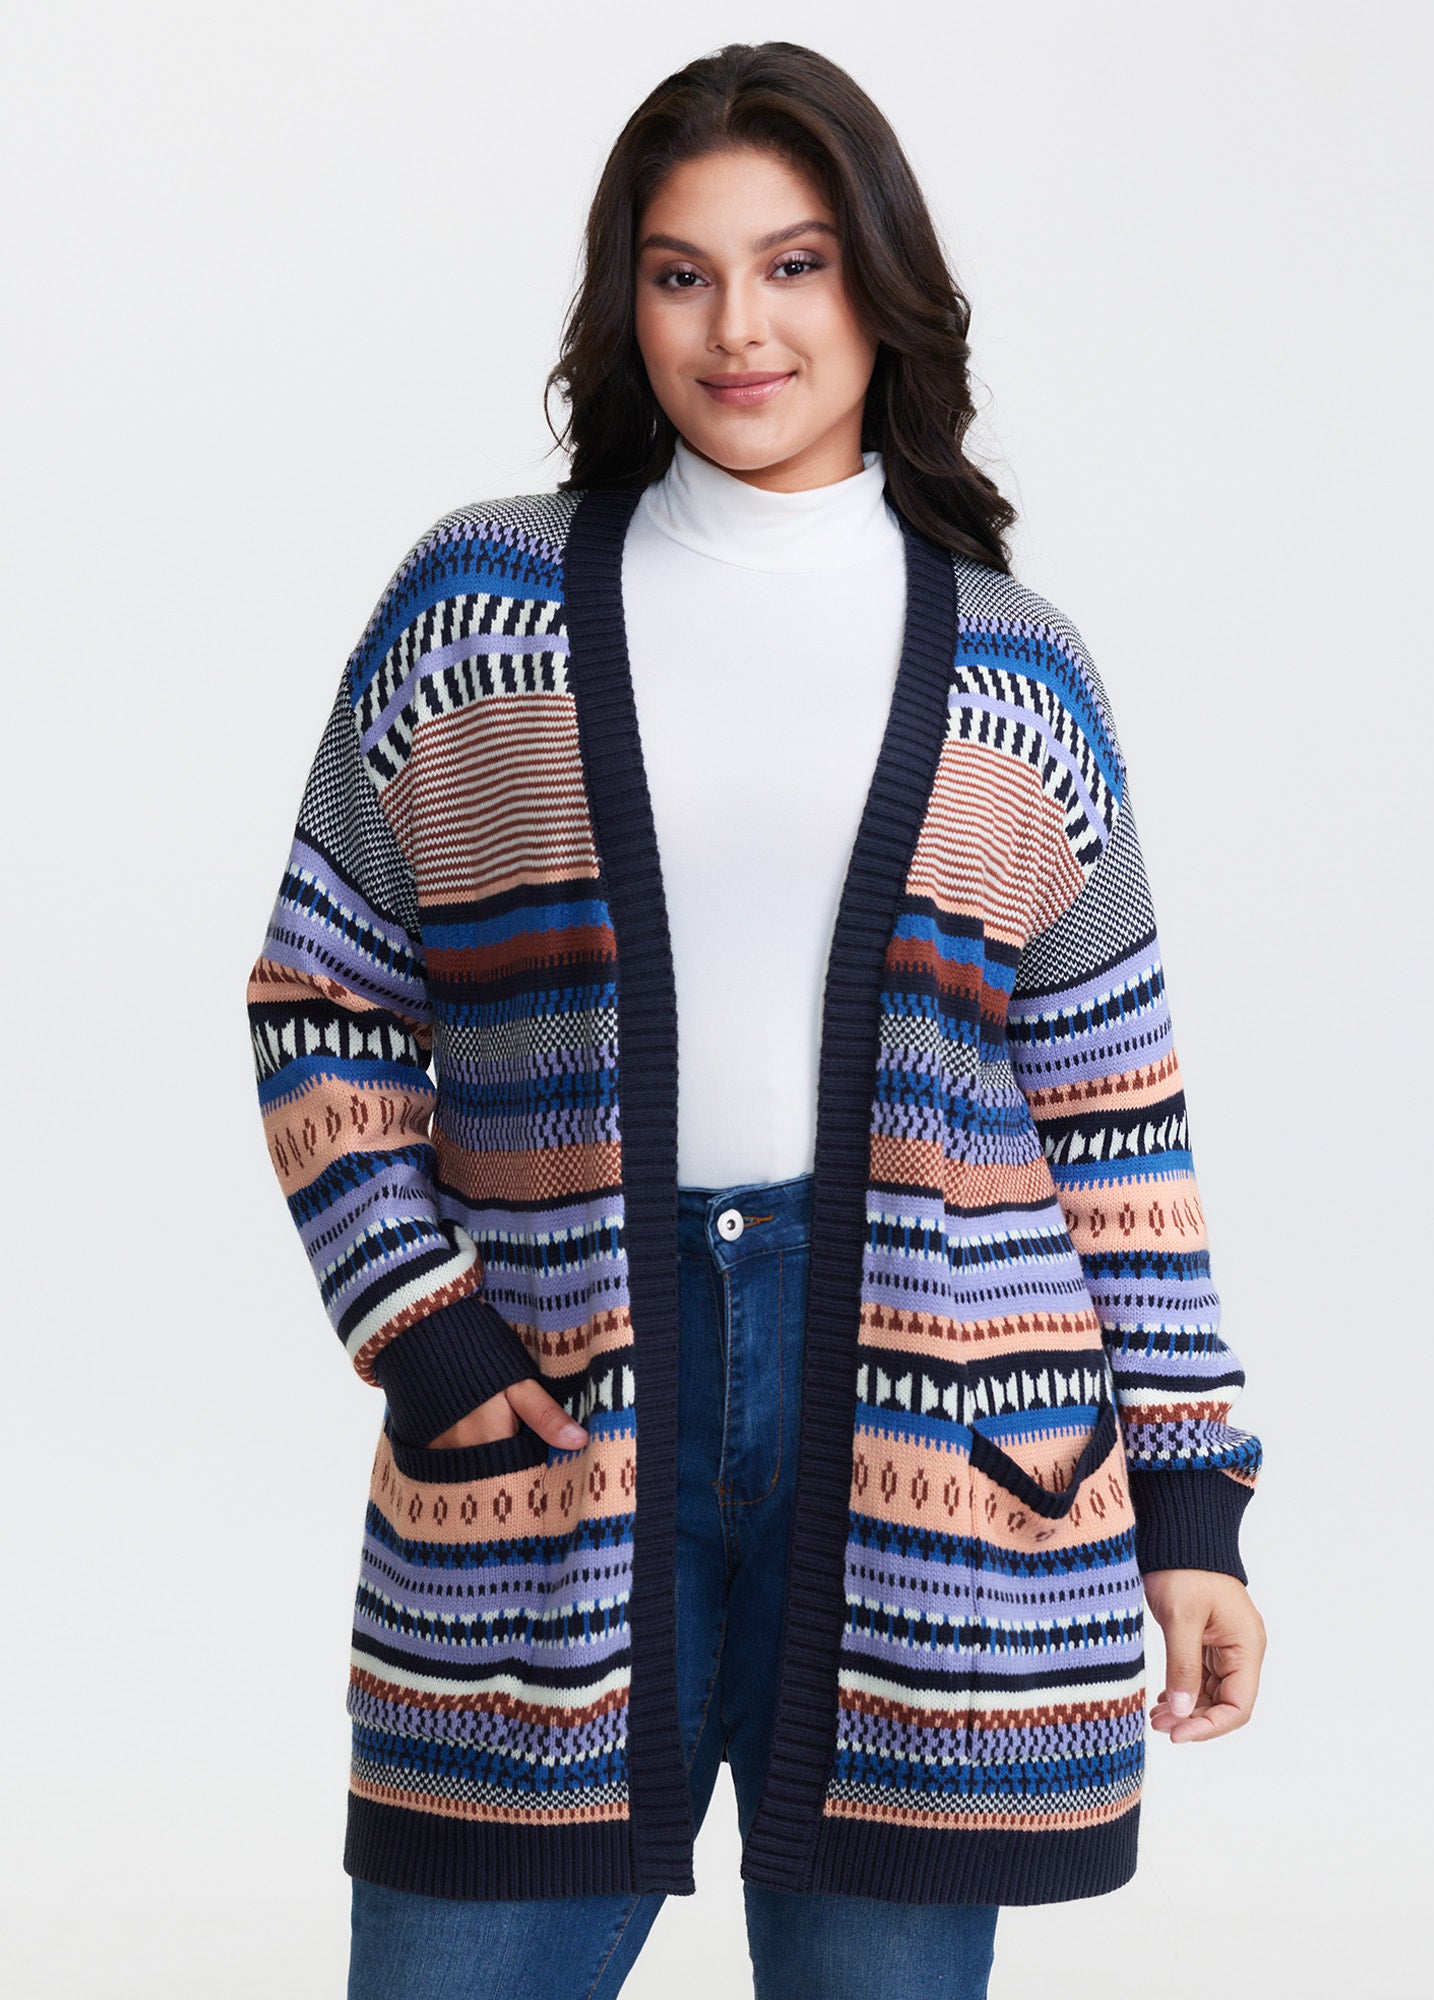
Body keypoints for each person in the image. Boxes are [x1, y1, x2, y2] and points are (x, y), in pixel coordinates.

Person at [245, 39, 1267, 2000]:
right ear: (624, 302)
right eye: (682, 272)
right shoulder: (478, 611)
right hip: (550, 1414)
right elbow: (325, 993)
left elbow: (1115, 1113)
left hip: (943, 1459)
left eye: (795, 265)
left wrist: (1193, 1500)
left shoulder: (1019, 675)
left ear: (881, 287)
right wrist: (425, 1325)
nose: (740, 328)